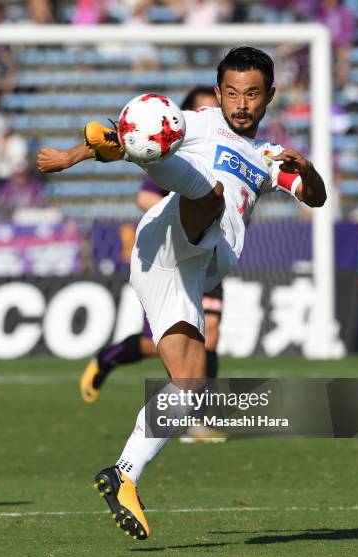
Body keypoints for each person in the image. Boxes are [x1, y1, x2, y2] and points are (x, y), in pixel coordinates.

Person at [37, 46, 326, 541]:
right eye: (232, 92)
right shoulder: (194, 123)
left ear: (270, 96)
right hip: (172, 234)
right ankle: (145, 160)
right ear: (218, 94)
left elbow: (315, 197)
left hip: (184, 271)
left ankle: (123, 474)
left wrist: (309, 167)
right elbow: (120, 128)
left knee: (191, 389)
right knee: (205, 190)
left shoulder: (272, 158)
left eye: (253, 94)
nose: (241, 103)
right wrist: (70, 156)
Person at [79, 85, 227, 442]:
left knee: (210, 339)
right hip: (172, 255)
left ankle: (196, 420)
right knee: (163, 344)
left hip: (210, 254)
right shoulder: (174, 154)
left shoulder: (227, 151)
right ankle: (111, 355)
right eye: (203, 110)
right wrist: (182, 212)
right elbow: (144, 196)